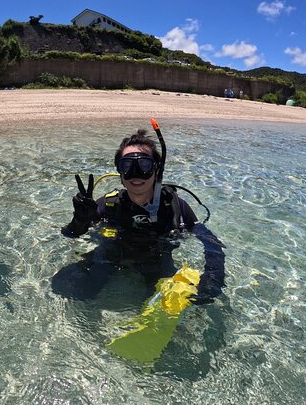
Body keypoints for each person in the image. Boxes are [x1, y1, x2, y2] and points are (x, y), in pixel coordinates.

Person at [53, 120, 225, 304]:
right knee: (68, 287)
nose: (135, 174)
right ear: (120, 172)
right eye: (127, 166)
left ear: (156, 169)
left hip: (155, 261)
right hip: (113, 255)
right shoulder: (109, 203)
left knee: (178, 303)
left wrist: (212, 279)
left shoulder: (174, 205)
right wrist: (79, 219)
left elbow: (211, 243)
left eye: (144, 165)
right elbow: (70, 234)